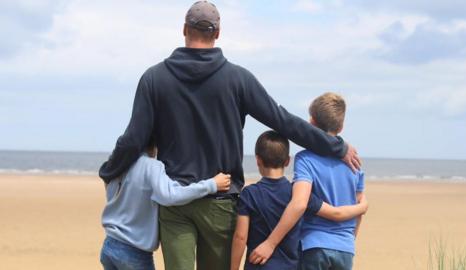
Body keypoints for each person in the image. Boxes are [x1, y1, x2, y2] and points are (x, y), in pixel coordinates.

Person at [99, 1, 361, 269]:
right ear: (218, 33)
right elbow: (282, 121)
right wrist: (335, 146)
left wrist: (110, 170)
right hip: (221, 203)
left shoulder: (154, 78)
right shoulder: (237, 79)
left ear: (184, 29)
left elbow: (134, 139)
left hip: (175, 201)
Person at [248, 93, 365, 270]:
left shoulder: (305, 159)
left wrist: (270, 243)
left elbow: (299, 204)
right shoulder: (354, 163)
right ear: (340, 127)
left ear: (310, 124)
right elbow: (358, 210)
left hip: (314, 244)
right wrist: (348, 241)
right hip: (345, 247)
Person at [230, 131, 367, 270]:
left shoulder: (249, 194)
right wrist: (362, 207)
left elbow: (240, 237)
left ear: (258, 160)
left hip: (257, 265)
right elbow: (334, 213)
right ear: (288, 161)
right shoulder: (299, 195)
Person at [100, 137, 231, 270]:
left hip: (109, 246)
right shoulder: (152, 166)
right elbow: (171, 195)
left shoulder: (119, 165)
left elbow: (109, 190)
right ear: (155, 146)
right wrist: (211, 185)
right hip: (133, 252)